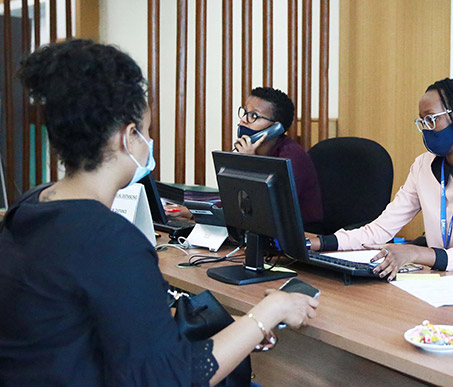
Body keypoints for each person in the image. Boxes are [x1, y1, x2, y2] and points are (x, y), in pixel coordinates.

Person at [0, 40, 319, 386]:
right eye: (147, 132)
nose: (149, 143)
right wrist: (268, 313)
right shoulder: (112, 240)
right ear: (128, 137)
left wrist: (240, 328)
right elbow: (176, 376)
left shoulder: (30, 206)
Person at [309, 78, 453, 280]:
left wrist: (416, 252)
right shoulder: (423, 165)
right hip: (440, 281)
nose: (426, 129)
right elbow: (379, 230)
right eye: (422, 122)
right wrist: (318, 243)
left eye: (431, 119)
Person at [232, 87, 323, 226]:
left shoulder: (291, 157)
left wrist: (250, 163)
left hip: (302, 233)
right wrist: (201, 212)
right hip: (261, 231)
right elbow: (238, 200)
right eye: (245, 113)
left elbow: (269, 208)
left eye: (254, 116)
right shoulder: (250, 152)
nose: (243, 120)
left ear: (275, 128)